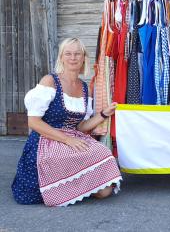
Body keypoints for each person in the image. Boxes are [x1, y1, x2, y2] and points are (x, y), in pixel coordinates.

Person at [11, 38, 122, 207]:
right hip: (47, 140)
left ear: (84, 57)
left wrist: (103, 114)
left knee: (104, 164)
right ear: (61, 58)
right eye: (68, 54)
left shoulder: (85, 88)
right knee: (68, 159)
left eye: (77, 54)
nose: (73, 58)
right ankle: (66, 189)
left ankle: (75, 188)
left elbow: (80, 126)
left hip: (73, 137)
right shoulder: (50, 81)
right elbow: (33, 122)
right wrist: (67, 139)